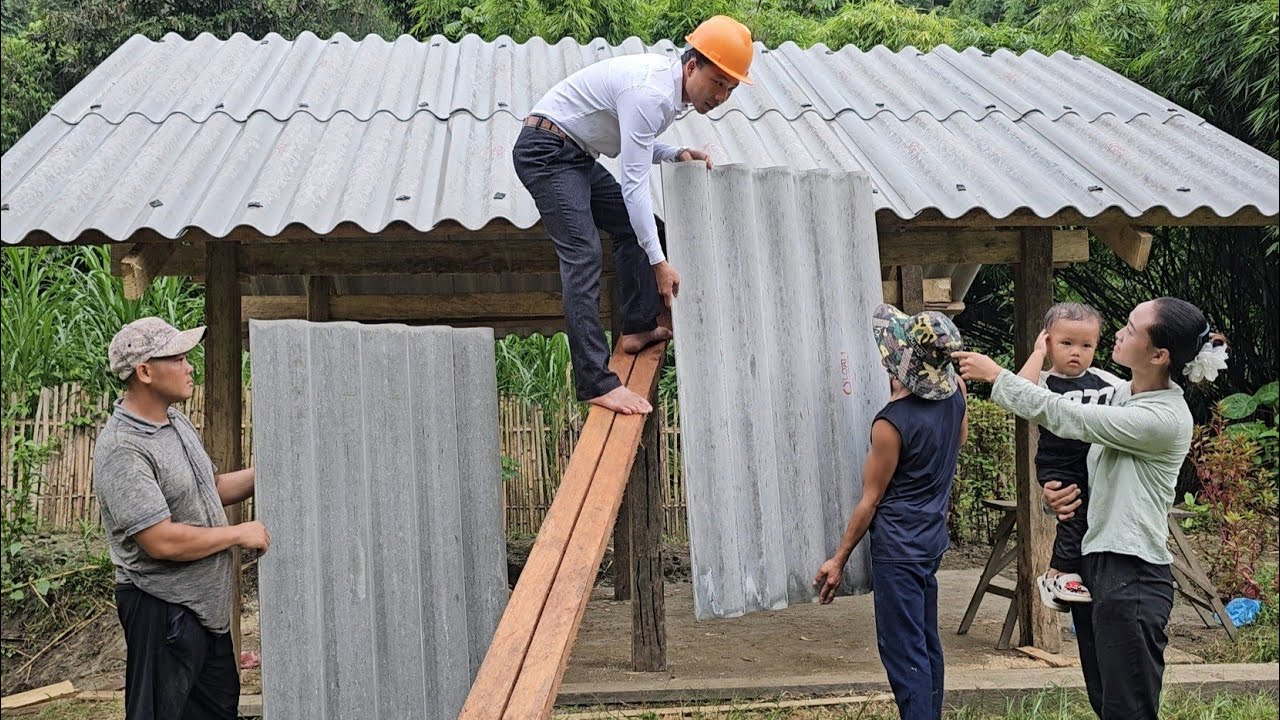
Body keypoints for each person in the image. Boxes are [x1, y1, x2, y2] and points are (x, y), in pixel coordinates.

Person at [953, 297, 1229, 720]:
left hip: (1132, 575)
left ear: (1159, 355)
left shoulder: (1163, 417)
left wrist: (997, 376)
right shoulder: (1120, 394)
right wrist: (1054, 494)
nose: (1119, 332)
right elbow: (1078, 454)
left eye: (1132, 329)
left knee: (1128, 710)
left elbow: (1068, 416)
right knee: (1105, 703)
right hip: (1097, 564)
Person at [512, 15, 755, 415]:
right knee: (584, 254)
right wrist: (659, 264)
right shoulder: (651, 93)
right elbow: (633, 186)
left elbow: (634, 142)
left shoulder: (667, 94)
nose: (721, 96)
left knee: (639, 228)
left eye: (729, 89)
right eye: (717, 83)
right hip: (546, 151)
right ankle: (595, 381)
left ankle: (638, 326)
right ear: (691, 66)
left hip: (574, 152)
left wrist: (674, 152)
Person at [94, 317, 271, 720]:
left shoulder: (175, 422)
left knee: (217, 709)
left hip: (204, 612)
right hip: (162, 610)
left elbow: (212, 487)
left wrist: (270, 474)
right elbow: (160, 541)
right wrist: (235, 533)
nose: (190, 366)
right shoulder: (123, 448)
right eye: (178, 358)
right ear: (145, 371)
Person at [814, 304, 968, 720]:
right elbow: (959, 440)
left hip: (898, 547)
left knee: (904, 653)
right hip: (931, 538)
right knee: (925, 642)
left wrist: (838, 558)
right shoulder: (957, 395)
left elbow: (871, 500)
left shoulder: (890, 423)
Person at [1015, 303, 1122, 610]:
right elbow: (1019, 394)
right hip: (1060, 464)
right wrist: (1037, 354)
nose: (1077, 352)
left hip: (1097, 465)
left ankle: (1073, 573)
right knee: (1072, 515)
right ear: (1048, 342)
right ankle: (1059, 573)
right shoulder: (1045, 382)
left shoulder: (1104, 381)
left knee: (1092, 515)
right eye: (1066, 343)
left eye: (1086, 345)